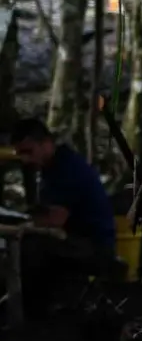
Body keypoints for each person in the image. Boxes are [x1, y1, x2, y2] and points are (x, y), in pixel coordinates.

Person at [10, 118, 118, 315]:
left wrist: (24, 224)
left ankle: (34, 315)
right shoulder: (51, 168)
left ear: (46, 143)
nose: (25, 160)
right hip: (75, 240)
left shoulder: (66, 169)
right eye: (20, 154)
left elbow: (55, 219)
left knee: (31, 246)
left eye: (28, 151)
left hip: (95, 246)